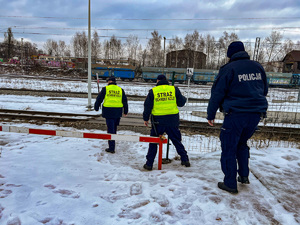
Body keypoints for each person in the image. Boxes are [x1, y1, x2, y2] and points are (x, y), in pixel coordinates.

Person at [207, 41, 268, 194]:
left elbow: (217, 93)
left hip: (236, 114)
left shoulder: (228, 69)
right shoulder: (257, 67)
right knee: (241, 143)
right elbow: (264, 89)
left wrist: (211, 114)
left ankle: (230, 183)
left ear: (230, 54)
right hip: (255, 115)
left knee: (228, 147)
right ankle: (244, 176)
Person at [143, 74, 190, 170]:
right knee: (176, 140)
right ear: (166, 80)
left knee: (154, 141)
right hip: (172, 120)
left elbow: (147, 106)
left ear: (157, 81)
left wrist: (145, 118)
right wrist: (183, 98)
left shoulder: (153, 91)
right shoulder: (174, 89)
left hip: (158, 121)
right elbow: (181, 103)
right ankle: (185, 159)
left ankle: (149, 164)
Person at [94, 76, 128, 153]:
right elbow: (125, 101)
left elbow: (99, 99)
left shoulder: (105, 89)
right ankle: (112, 144)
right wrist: (125, 111)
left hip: (108, 112)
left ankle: (111, 148)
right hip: (117, 112)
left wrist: (96, 107)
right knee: (114, 129)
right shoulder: (120, 90)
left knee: (110, 129)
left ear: (109, 82)